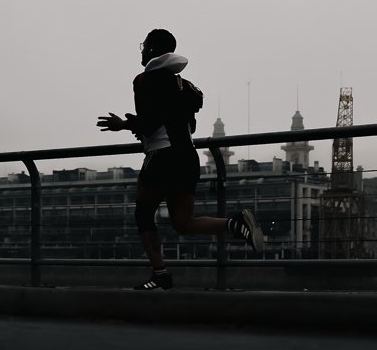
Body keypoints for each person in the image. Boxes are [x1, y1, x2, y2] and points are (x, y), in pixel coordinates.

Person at [97, 28, 264, 290]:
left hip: (163, 155)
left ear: (152, 49)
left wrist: (123, 124)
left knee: (143, 214)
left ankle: (160, 273)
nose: (141, 50)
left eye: (144, 46)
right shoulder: (184, 85)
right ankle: (235, 223)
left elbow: (151, 123)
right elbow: (189, 126)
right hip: (188, 157)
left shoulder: (144, 80)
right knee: (183, 222)